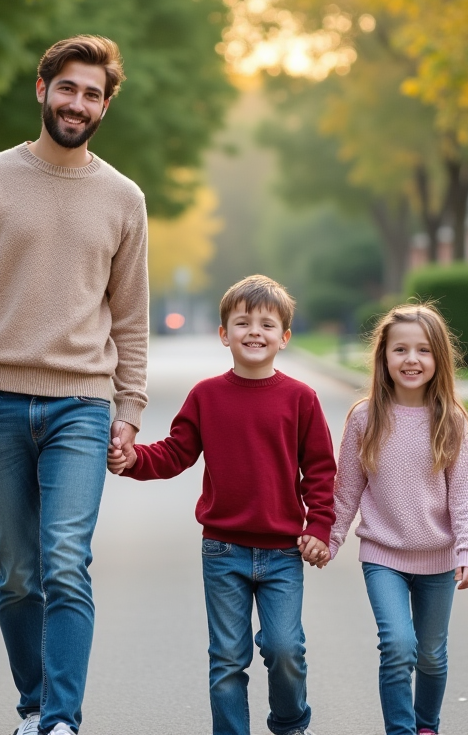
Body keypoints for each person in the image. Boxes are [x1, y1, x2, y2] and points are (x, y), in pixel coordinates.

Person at [0, 35, 149, 735]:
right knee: (19, 571)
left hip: (81, 406)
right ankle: (32, 704)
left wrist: (130, 408)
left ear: (105, 106)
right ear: (42, 89)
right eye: (68, 88)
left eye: (92, 94)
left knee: (65, 562)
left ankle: (60, 720)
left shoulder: (124, 198)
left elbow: (131, 317)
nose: (78, 103)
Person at [107, 275, 336, 735]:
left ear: (284, 338)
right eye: (242, 322)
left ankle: (290, 723)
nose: (255, 331)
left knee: (284, 649)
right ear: (223, 334)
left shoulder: (301, 400)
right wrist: (133, 460)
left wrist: (320, 527)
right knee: (228, 659)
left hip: (284, 553)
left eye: (267, 324)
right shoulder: (206, 396)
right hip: (223, 551)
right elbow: (175, 453)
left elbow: (321, 472)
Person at [328, 302, 468, 735]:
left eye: (422, 351)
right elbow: (347, 488)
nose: (411, 360)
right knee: (398, 646)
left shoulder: (450, 421)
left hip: (438, 557)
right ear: (384, 357)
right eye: (400, 350)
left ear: (439, 359)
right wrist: (331, 536)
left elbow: (467, 494)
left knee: (432, 653)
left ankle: (426, 726)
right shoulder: (365, 418)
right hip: (383, 556)